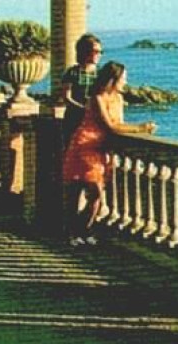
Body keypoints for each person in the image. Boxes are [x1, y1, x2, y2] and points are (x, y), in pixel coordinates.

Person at [61, 61, 155, 245]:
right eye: (123, 78)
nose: (125, 82)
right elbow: (110, 126)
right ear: (113, 79)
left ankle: (83, 230)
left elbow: (119, 123)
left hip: (99, 147)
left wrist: (131, 130)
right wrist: (140, 128)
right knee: (81, 191)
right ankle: (73, 232)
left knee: (95, 193)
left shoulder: (118, 99)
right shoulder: (97, 98)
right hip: (85, 145)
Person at [55, 33, 102, 123]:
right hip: (74, 119)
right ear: (85, 51)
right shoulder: (72, 73)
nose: (99, 55)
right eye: (95, 51)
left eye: (100, 52)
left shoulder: (101, 73)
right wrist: (83, 109)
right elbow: (66, 97)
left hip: (95, 119)